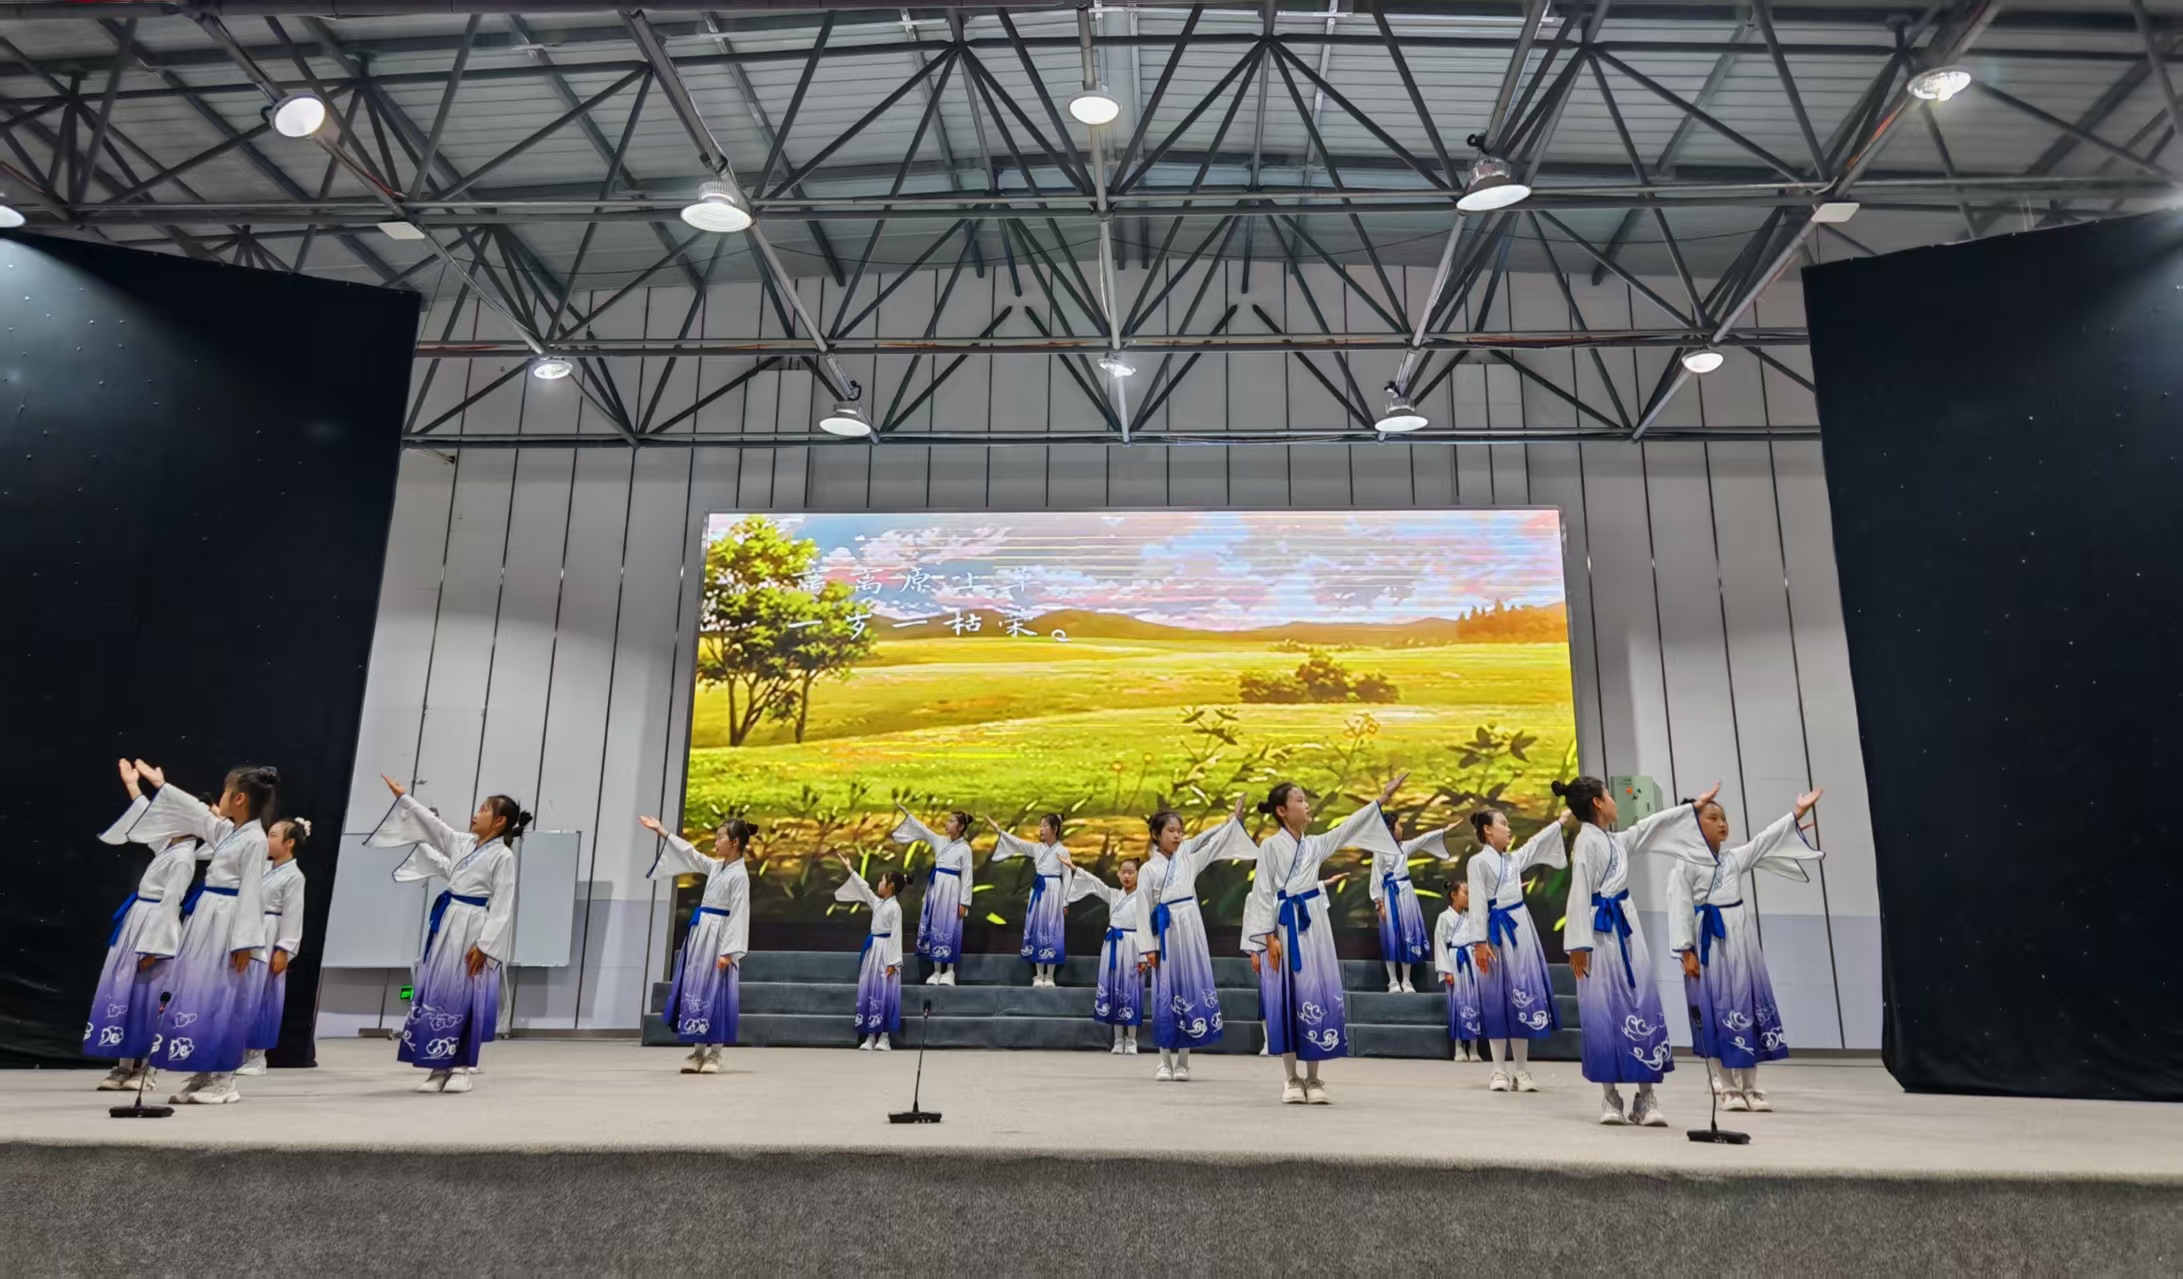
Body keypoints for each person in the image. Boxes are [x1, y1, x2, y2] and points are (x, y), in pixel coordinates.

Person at [1561, 776, 1719, 1128]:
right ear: (1598, 803)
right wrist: (1578, 944)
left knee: (1640, 1000)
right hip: (1598, 931)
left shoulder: (1615, 841)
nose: (1614, 800)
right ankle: (1610, 1097)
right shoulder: (1586, 842)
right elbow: (1579, 890)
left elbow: (1650, 827)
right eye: (1609, 795)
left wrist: (1690, 810)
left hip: (1626, 927)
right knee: (1602, 1008)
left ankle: (1646, 1097)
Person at [1243, 773, 1408, 1105]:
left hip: (1314, 926)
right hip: (1284, 925)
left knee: (1315, 992)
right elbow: (1261, 892)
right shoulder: (1271, 846)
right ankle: (1291, 1078)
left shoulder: (1314, 844)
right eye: (1299, 800)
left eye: (1306, 800)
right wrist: (1267, 937)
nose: (1306, 805)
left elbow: (1348, 827)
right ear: (1281, 811)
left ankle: (1314, 1077)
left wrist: (1383, 798)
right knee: (1289, 995)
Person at [1660, 787, 1824, 1113]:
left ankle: (1751, 1085)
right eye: (1713, 818)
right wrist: (1685, 951)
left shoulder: (1733, 859)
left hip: (1741, 941)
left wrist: (1797, 812)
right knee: (1715, 1010)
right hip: (1708, 942)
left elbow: (1765, 839)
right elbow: (1679, 909)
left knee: (1747, 1005)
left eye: (1723, 818)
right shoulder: (1684, 866)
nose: (1722, 823)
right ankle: (1728, 1087)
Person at [125, 760, 277, 1106]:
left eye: (225, 791)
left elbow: (252, 891)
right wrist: (161, 785)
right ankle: (205, 1069)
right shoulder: (231, 832)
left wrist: (245, 943)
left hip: (228, 920)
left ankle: (224, 1078)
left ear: (239, 798)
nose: (219, 798)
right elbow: (198, 814)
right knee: (201, 993)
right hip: (208, 916)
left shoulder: (254, 839)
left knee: (223, 996)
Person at [369, 774, 526, 1094]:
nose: (476, 814)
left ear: (499, 821)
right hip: (448, 921)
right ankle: (437, 1067)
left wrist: (485, 945)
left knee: (464, 993)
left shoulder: (503, 856)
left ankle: (461, 1068)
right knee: (438, 990)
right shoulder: (462, 842)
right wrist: (404, 798)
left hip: (474, 924)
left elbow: (503, 904)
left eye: (484, 810)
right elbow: (432, 826)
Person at [84, 760, 201, 1091]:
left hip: (154, 927)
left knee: (148, 999)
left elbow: (171, 904)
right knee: (126, 991)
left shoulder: (183, 858)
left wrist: (155, 947)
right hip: (137, 921)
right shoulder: (169, 846)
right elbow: (146, 818)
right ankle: (123, 1065)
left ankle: (147, 1070)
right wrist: (133, 786)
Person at [1136, 798, 1255, 1081]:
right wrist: (1147, 948)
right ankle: (1164, 1061)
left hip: (1189, 926)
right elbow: (1142, 909)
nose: (1177, 836)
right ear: (1156, 835)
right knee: (1165, 991)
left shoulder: (1189, 858)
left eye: (1180, 831)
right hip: (1165, 930)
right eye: (1171, 831)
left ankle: (1183, 1062)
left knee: (1190, 986)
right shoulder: (1148, 869)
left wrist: (1231, 823)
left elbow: (1210, 842)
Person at [1465, 806, 1574, 1093]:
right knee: (1495, 997)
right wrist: (1479, 942)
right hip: (1494, 932)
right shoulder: (1478, 862)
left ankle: (1522, 1069)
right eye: (1503, 823)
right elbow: (1477, 902)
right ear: (1488, 830)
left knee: (1522, 993)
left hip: (1520, 927)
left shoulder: (1512, 860)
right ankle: (1498, 1069)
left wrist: (1560, 821)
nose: (1508, 828)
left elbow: (1535, 844)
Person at [640, 814, 754, 1075]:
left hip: (720, 937)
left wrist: (728, 951)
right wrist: (662, 832)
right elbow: (691, 854)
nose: (716, 842)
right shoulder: (717, 867)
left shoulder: (739, 876)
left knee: (717, 991)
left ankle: (715, 1053)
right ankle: (697, 1050)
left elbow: (739, 913)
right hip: (701, 934)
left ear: (735, 842)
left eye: (720, 837)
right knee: (697, 988)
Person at [237, 817, 310, 1077]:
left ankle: (257, 1056)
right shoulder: (263, 867)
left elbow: (293, 914)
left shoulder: (294, 876)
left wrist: (284, 949)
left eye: (274, 835)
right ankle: (236, 1051)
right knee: (243, 993)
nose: (267, 840)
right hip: (251, 929)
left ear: (289, 843)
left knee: (263, 993)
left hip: (271, 933)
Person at [1059, 856, 1144, 1053]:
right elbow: (1095, 883)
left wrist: (1144, 955)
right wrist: (1074, 867)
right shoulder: (1113, 894)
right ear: (1118, 874)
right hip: (1113, 944)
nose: (1126, 876)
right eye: (1123, 872)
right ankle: (1118, 1039)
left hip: (1134, 944)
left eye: (1131, 872)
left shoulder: (1143, 898)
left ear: (1138, 875)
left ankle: (1131, 1039)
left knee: (1131, 989)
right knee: (1114, 988)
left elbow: (1148, 927)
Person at [892, 806, 974, 986]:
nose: (947, 824)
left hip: (952, 890)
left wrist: (964, 902)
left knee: (950, 927)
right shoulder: (939, 841)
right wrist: (908, 815)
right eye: (948, 820)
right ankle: (936, 970)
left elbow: (967, 876)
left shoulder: (965, 849)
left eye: (951, 821)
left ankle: (949, 971)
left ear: (961, 827)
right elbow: (923, 830)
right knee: (935, 925)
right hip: (936, 888)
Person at [832, 854, 907, 1050]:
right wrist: (850, 869)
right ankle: (871, 1035)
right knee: (871, 988)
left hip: (886, 951)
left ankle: (884, 1036)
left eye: (882, 880)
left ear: (890, 886)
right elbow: (864, 888)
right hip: (873, 950)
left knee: (885, 991)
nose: (878, 883)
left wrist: (893, 962)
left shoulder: (895, 908)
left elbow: (896, 935)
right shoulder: (878, 903)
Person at [1371, 815, 1452, 991]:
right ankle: (1393, 981)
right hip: (1389, 894)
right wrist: (1380, 903)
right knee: (1390, 937)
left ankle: (1407, 980)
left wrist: (1444, 830)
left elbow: (1423, 839)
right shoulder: (1379, 851)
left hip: (1406, 893)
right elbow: (1376, 877)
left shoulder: (1405, 847)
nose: (1401, 828)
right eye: (1398, 825)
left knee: (1408, 935)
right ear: (1390, 829)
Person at [988, 813, 1069, 986]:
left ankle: (1050, 976)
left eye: (1044, 826)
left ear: (1054, 829)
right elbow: (1018, 844)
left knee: (1052, 930)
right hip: (1039, 891)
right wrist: (999, 831)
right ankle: (1039, 975)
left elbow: (1067, 877)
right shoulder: (1037, 848)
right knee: (1038, 928)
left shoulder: (1063, 851)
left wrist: (1065, 901)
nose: (1041, 829)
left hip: (1054, 890)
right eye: (1040, 826)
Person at [1434, 879, 1484, 1063]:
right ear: (1453, 895)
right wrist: (1446, 971)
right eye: (1466, 893)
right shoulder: (1444, 917)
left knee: (1474, 1000)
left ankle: (1474, 1047)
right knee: (1457, 1002)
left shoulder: (1471, 917)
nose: (1469, 897)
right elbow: (1440, 944)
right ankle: (1458, 1047)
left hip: (1471, 959)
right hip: (1455, 959)